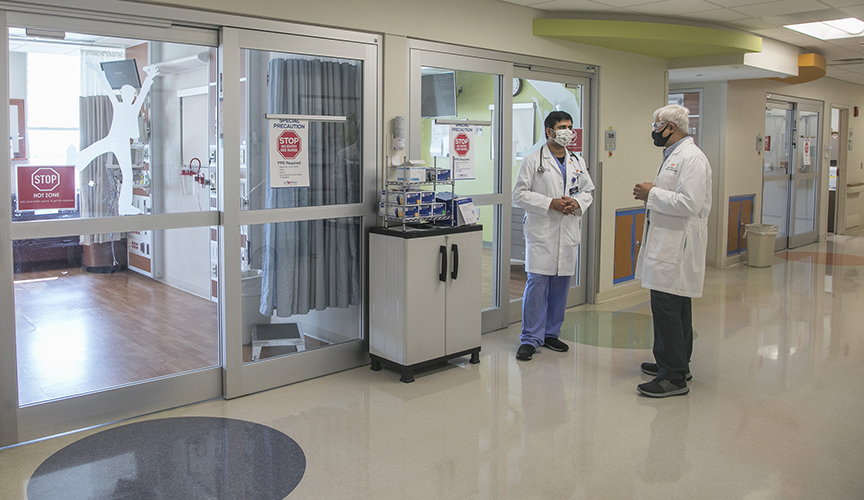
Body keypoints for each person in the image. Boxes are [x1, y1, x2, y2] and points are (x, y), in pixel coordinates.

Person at [632, 104, 712, 397]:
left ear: (671, 127)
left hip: (678, 245)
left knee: (667, 307)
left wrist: (651, 193)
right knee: (675, 306)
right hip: (670, 242)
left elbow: (689, 203)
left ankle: (673, 376)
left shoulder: (691, 158)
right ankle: (676, 364)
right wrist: (655, 193)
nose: (654, 131)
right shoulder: (675, 156)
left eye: (657, 126)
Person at [512, 111, 594, 361]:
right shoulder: (532, 160)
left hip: (567, 230)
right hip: (542, 231)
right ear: (549, 131)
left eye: (570, 127)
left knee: (561, 284)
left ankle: (551, 333)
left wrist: (575, 202)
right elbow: (519, 195)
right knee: (537, 283)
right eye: (562, 127)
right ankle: (530, 338)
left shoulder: (577, 161)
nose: (567, 131)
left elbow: (588, 190)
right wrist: (550, 203)